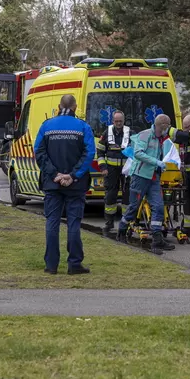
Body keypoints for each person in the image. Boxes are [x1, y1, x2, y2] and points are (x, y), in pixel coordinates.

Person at [34, 94, 94, 275]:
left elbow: (39, 152)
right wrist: (73, 175)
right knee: (74, 224)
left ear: (59, 106)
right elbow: (89, 154)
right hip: (76, 185)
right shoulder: (83, 127)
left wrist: (55, 174)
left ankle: (51, 265)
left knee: (52, 223)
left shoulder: (47, 126)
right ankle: (74, 264)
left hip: (52, 184)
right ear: (75, 107)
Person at [115, 114, 176, 255]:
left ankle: (156, 240)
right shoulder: (145, 135)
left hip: (153, 177)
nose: (170, 128)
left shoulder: (162, 139)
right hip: (140, 176)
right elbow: (138, 153)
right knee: (134, 207)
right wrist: (157, 162)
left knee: (158, 207)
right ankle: (121, 231)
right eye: (168, 125)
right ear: (163, 125)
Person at [96, 111, 135, 238]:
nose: (118, 123)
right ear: (113, 121)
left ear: (124, 121)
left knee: (127, 196)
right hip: (111, 170)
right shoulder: (106, 133)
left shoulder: (130, 133)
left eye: (120, 121)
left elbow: (136, 151)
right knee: (110, 196)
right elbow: (100, 152)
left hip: (126, 170)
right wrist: (103, 167)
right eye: (116, 121)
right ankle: (109, 223)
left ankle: (126, 222)